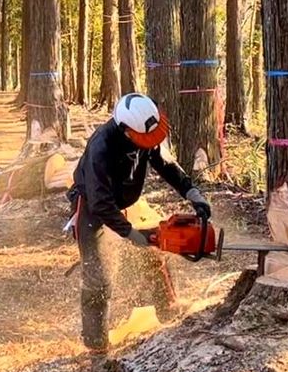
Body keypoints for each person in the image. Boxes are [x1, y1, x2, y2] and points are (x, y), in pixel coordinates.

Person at [67, 93, 211, 352]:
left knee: (155, 251)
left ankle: (168, 310)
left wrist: (192, 193)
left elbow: (166, 165)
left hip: (127, 203)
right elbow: (100, 203)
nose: (149, 143)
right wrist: (131, 234)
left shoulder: (145, 133)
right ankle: (96, 343)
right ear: (126, 130)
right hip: (93, 209)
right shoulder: (101, 147)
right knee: (99, 276)